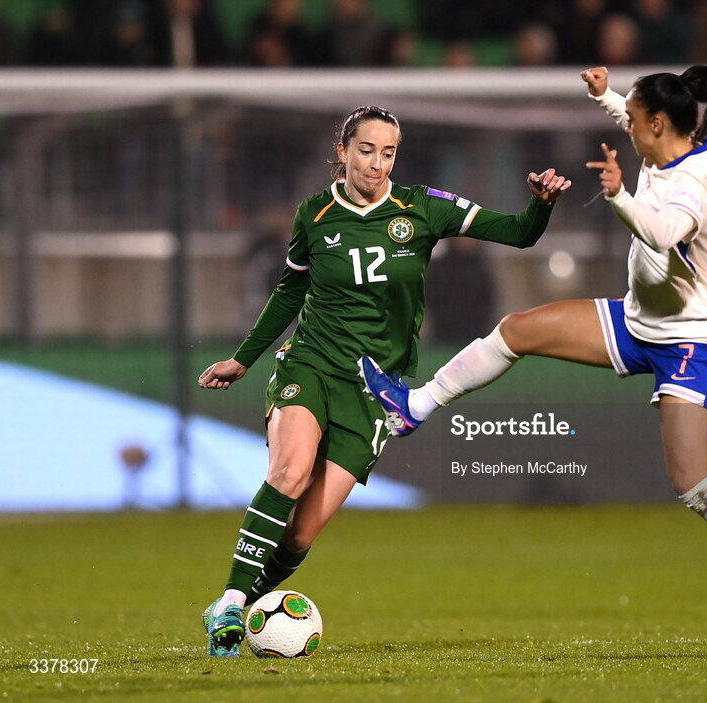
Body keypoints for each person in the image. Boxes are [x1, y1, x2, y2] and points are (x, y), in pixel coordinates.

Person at [361, 66, 707, 652]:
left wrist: (619, 194)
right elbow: (630, 113)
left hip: (692, 339)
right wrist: (605, 96)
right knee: (518, 330)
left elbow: (662, 232)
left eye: (635, 122)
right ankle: (413, 406)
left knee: (692, 480)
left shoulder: (699, 175)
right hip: (635, 320)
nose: (629, 130)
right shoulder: (659, 134)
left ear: (659, 124)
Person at [196, 105, 571, 657]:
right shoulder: (314, 214)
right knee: (291, 470)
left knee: (301, 534)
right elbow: (289, 293)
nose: (376, 163)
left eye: (388, 152)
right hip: (312, 363)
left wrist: (540, 205)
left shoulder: (422, 207)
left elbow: (519, 234)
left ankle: (236, 607)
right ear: (343, 151)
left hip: (375, 389)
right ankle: (231, 601)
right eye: (366, 150)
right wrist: (244, 360)